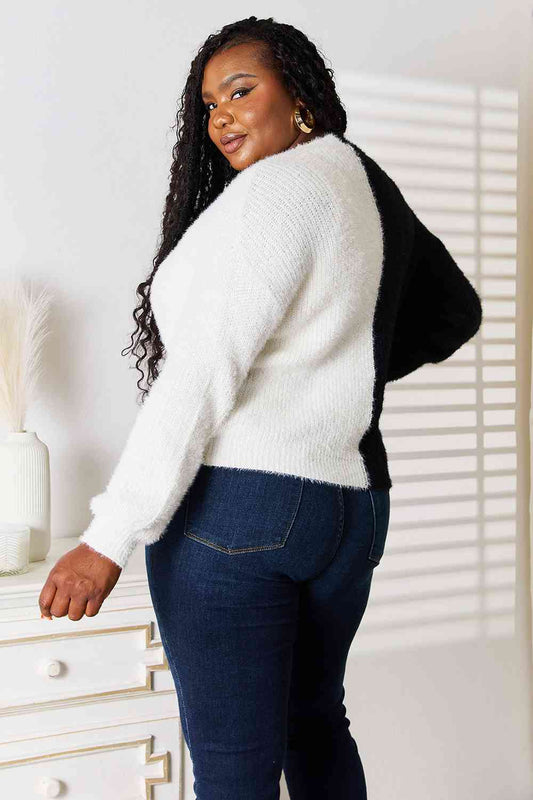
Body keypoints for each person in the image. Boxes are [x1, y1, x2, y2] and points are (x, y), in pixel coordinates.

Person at [39, 15, 482, 799]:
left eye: (241, 91)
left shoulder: (274, 193)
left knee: (233, 771)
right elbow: (454, 312)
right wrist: (326, 378)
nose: (221, 117)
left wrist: (108, 537)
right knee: (315, 726)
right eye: (210, 104)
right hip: (348, 510)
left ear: (299, 94)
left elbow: (200, 374)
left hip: (239, 512)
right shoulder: (360, 179)